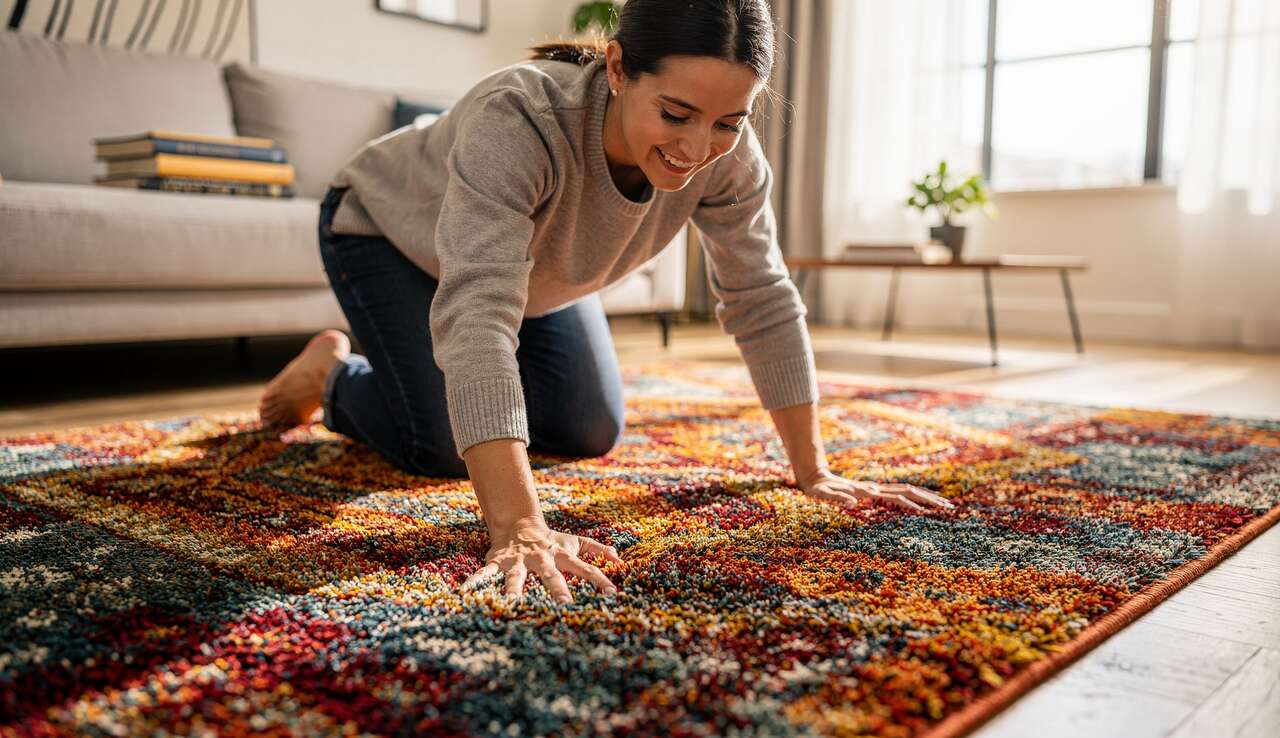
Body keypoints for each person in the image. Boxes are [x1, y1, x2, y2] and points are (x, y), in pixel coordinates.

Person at [258, 0, 953, 604]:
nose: (695, 149)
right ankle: (333, 377)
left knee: (590, 428)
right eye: (676, 113)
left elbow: (762, 295)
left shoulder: (728, 158)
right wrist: (518, 524)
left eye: (727, 122)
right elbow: (477, 312)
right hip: (388, 231)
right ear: (617, 69)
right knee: (439, 443)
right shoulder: (520, 118)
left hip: (534, 275)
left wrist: (813, 470)